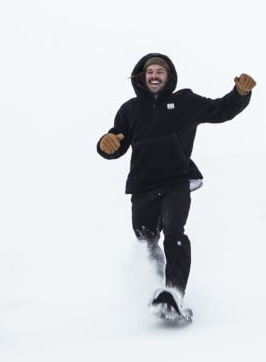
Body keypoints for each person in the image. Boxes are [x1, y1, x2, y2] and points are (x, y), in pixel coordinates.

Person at [97, 52, 255, 321]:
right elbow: (116, 142)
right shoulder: (130, 109)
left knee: (174, 232)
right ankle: (157, 291)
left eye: (160, 71)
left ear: (169, 76)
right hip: (142, 186)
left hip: (176, 182)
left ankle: (174, 294)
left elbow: (220, 110)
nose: (155, 76)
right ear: (142, 77)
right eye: (150, 72)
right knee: (147, 241)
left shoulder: (184, 102)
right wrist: (105, 145)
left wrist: (239, 95)